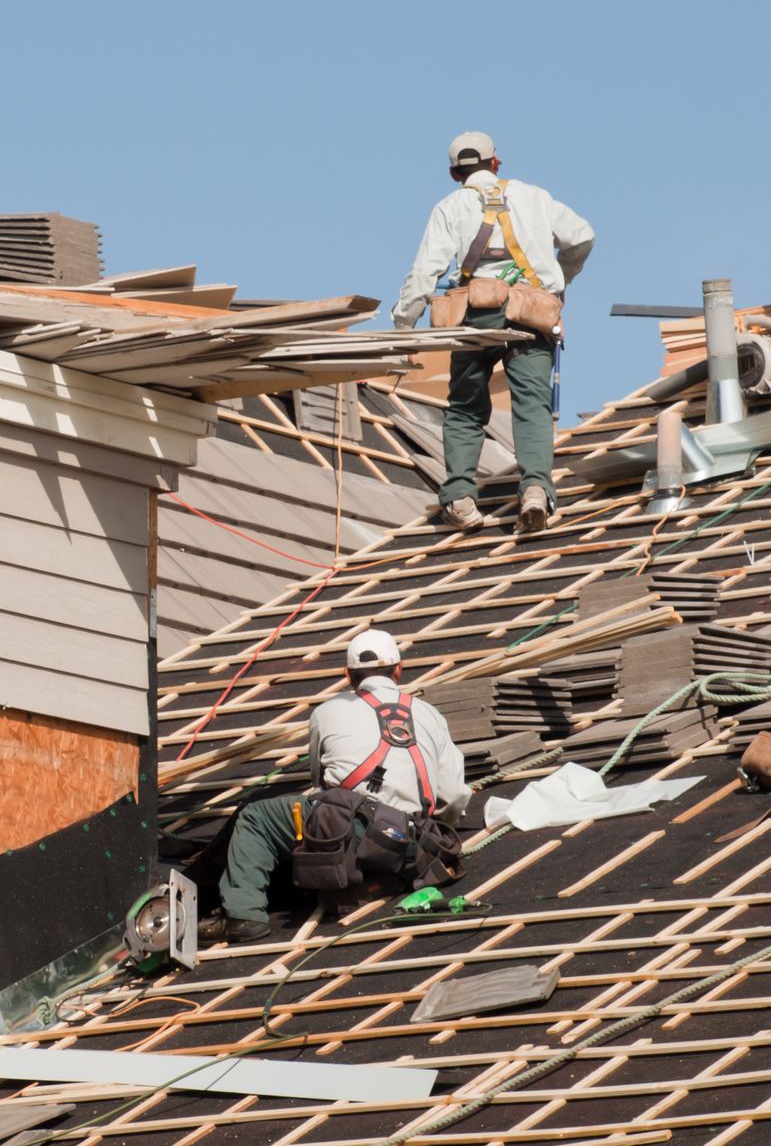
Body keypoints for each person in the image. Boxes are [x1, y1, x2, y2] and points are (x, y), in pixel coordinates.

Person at [198, 629, 469, 944]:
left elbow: (320, 784)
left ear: (347, 675)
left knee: (256, 817)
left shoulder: (327, 711)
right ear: (399, 669)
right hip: (410, 841)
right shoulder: (430, 714)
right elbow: (454, 794)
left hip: (349, 834)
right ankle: (379, 875)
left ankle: (244, 915)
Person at [393, 131, 595, 534]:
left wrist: (404, 328)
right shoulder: (534, 197)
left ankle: (460, 499)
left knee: (466, 407)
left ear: (455, 173)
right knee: (532, 404)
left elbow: (423, 274)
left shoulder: (450, 207)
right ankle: (535, 491)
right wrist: (561, 280)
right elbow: (582, 236)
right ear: (496, 163)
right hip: (529, 314)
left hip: (476, 316)